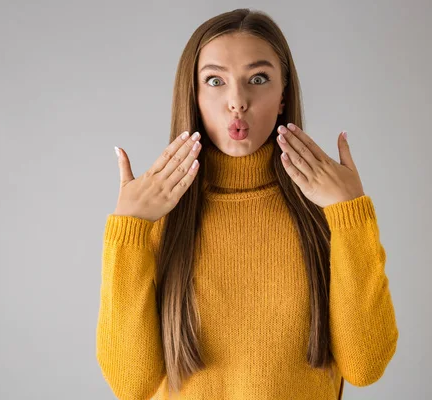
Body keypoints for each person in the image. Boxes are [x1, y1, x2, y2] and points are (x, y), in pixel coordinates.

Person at [96, 8, 398, 400]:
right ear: (195, 94)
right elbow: (130, 383)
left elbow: (365, 365)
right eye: (215, 81)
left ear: (284, 93)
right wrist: (129, 227)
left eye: (258, 79)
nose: (237, 101)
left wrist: (351, 213)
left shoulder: (327, 213)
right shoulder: (158, 215)